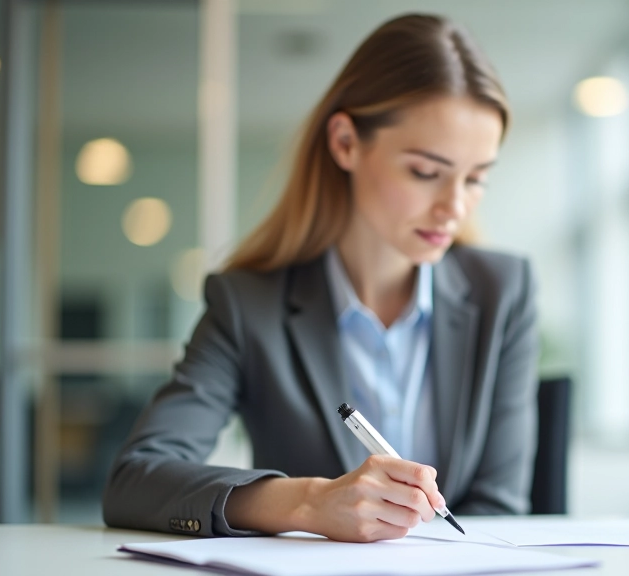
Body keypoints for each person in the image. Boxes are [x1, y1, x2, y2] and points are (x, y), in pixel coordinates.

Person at [102, 13, 538, 543]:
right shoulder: (248, 304)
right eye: (426, 172)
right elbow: (136, 480)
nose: (454, 207)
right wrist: (308, 502)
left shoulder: (504, 292)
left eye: (476, 179)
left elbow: (501, 507)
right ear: (345, 142)